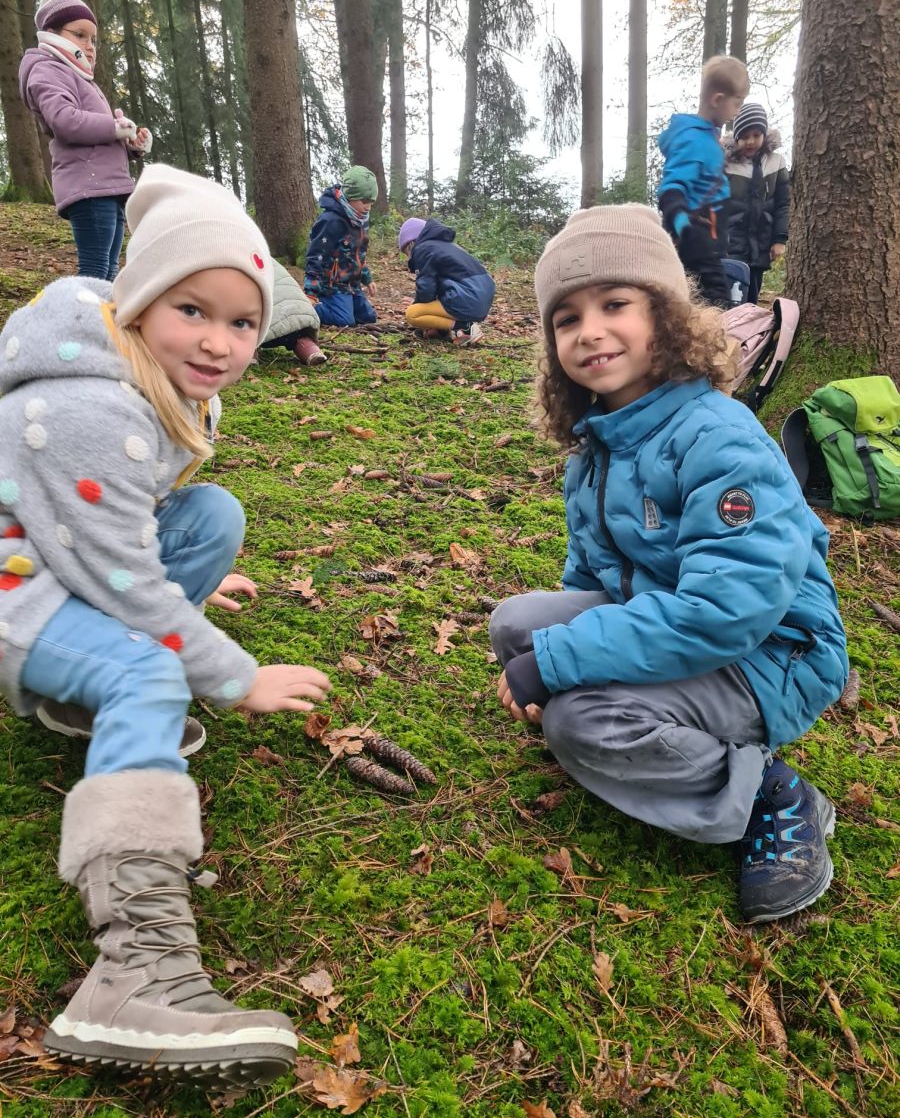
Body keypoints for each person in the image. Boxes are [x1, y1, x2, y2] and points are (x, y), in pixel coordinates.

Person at [0, 163, 332, 1091]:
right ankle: (133, 971)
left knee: (211, 517)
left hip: (52, 558)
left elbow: (126, 527)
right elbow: (127, 582)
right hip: (15, 591)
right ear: (140, 303)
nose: (220, 342)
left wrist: (193, 590)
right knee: (149, 670)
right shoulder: (85, 404)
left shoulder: (149, 375)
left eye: (243, 322)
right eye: (193, 310)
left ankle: (82, 702)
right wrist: (235, 676)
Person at [489, 204, 848, 925]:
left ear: (668, 317)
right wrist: (558, 656)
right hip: (676, 620)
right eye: (567, 318)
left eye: (615, 304)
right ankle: (647, 738)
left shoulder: (718, 438)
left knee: (577, 720)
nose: (590, 330)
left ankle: (770, 793)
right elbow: (590, 579)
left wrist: (561, 667)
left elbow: (725, 611)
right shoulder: (598, 447)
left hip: (769, 656)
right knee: (516, 625)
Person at [19, 0, 152, 280]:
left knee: (109, 271)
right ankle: (78, 310)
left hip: (109, 187)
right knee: (94, 270)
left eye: (93, 39)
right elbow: (65, 121)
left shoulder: (83, 81)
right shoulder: (47, 70)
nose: (89, 45)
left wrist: (131, 146)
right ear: (51, 33)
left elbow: (96, 139)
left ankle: (100, 311)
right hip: (89, 187)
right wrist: (114, 127)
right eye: (80, 35)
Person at [657, 55, 750, 306]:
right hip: (696, 245)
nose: (737, 111)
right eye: (737, 103)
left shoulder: (708, 138)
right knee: (717, 306)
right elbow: (671, 189)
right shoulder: (693, 140)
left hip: (709, 244)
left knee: (697, 306)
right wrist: (685, 227)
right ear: (717, 99)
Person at [723, 103, 790, 305]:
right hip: (732, 244)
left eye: (756, 135)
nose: (750, 141)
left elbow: (783, 204)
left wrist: (779, 239)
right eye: (744, 136)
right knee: (732, 297)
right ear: (736, 137)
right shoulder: (726, 164)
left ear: (764, 134)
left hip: (761, 243)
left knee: (752, 297)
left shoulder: (775, 162)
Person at [398, 217, 496, 345]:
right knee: (427, 305)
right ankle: (445, 331)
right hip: (480, 297)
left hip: (468, 297)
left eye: (406, 252)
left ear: (410, 243)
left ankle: (464, 328)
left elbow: (426, 287)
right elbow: (440, 287)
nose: (409, 256)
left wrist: (417, 304)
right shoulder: (445, 247)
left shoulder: (423, 249)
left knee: (413, 314)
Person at [304, 165, 378, 327]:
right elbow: (316, 255)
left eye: (371, 202)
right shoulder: (330, 220)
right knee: (345, 320)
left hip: (352, 285)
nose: (368, 207)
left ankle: (345, 306)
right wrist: (311, 292)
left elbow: (359, 255)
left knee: (369, 317)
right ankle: (307, 309)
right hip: (332, 286)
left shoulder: (360, 220)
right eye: (364, 201)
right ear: (351, 196)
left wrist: (367, 278)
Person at [260, 259, 326, 365]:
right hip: (299, 313)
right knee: (297, 336)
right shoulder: (268, 260)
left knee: (242, 328)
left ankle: (248, 354)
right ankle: (310, 350)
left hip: (265, 326)